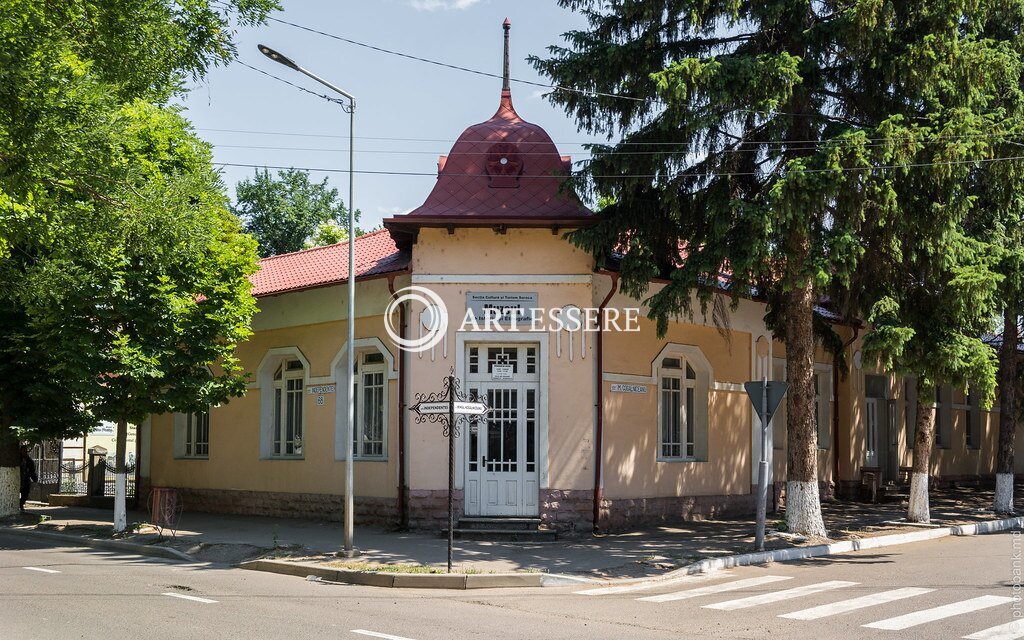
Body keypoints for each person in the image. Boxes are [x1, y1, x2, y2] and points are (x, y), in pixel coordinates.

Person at [19, 445, 37, 511]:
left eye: (25, 451)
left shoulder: (29, 460)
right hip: (17, 479)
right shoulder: (17, 459)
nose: (24, 452)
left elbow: (32, 470)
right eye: (22, 451)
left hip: (25, 479)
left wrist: (34, 478)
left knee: (25, 494)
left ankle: (21, 504)